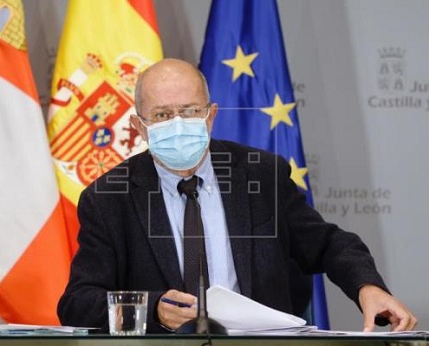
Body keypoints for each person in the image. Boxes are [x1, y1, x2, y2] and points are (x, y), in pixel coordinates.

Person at [57, 58, 417, 333]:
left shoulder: (261, 174)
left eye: (190, 111)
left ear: (210, 116)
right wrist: (154, 310)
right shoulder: (108, 198)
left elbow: (328, 243)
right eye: (163, 115)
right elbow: (77, 303)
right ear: (139, 126)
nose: (178, 125)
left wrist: (367, 287)